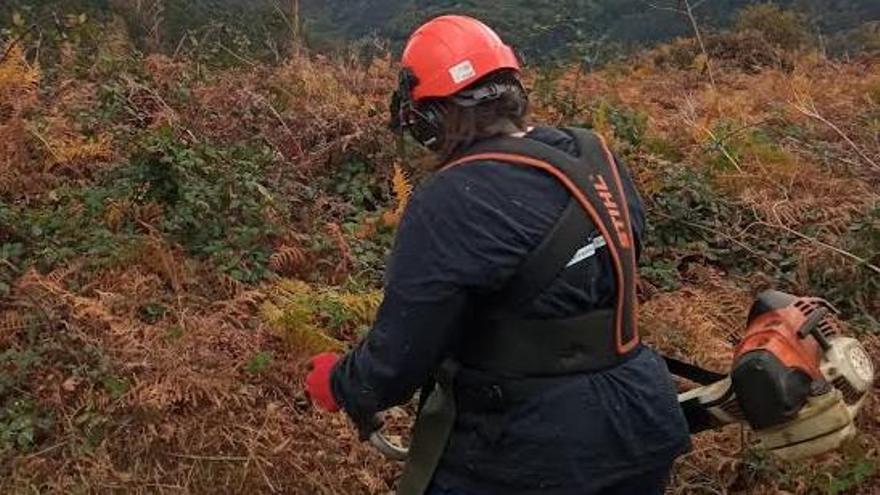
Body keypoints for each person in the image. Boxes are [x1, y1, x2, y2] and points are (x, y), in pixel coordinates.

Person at [304, 15, 691, 495]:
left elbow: (400, 356)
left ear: (428, 118)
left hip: (528, 450)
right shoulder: (592, 153)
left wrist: (341, 383)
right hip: (640, 420)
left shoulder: (452, 197)